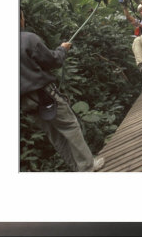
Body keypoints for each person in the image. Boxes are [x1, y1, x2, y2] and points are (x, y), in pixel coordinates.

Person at [20, 10, 105, 172]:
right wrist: (62, 49)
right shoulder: (27, 39)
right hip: (44, 95)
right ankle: (87, 167)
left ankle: (77, 168)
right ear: (20, 19)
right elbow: (52, 61)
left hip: (25, 103)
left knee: (55, 135)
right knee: (70, 127)